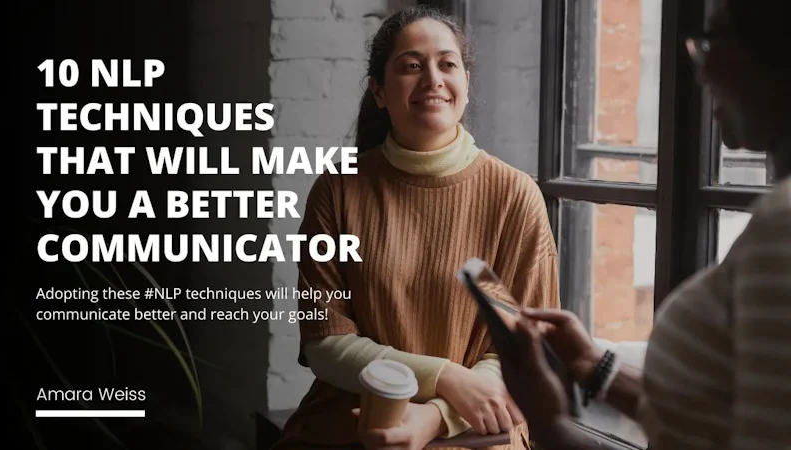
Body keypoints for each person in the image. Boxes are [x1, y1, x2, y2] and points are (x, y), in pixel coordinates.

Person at [490, 1, 791, 449]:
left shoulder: (782, 227)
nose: (700, 70)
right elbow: (710, 424)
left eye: (714, 41)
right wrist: (593, 363)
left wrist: (548, 423)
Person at [270, 6, 560, 450]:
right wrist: (445, 377)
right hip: (352, 423)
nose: (432, 79)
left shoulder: (515, 196)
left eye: (447, 64)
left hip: (478, 431)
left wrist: (437, 416)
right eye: (411, 66)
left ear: (466, 82)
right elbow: (325, 341)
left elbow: (526, 350)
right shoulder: (336, 190)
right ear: (379, 91)